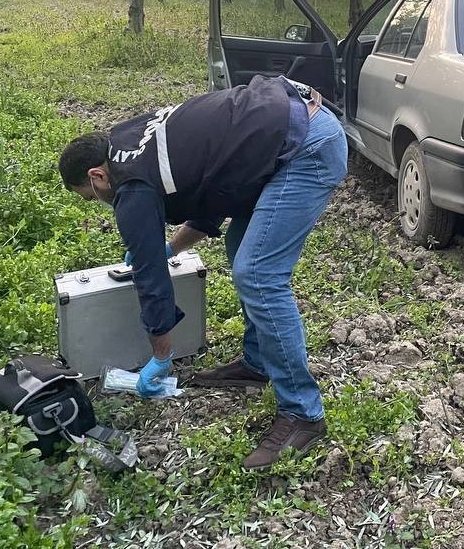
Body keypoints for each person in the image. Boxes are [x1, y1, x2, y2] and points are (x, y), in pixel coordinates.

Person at [58, 73, 347, 470]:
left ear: (96, 175)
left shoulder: (130, 188)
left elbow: (150, 278)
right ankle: (258, 362)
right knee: (240, 248)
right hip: (279, 132)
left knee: (259, 274)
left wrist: (161, 356)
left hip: (306, 147)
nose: (99, 203)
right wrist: (170, 247)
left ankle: (302, 413)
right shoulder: (124, 140)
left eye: (92, 198)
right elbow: (211, 187)